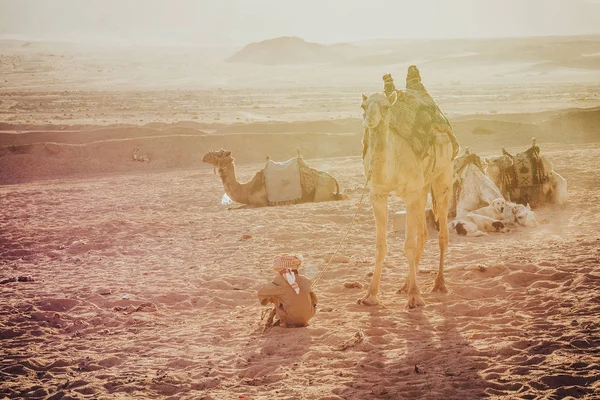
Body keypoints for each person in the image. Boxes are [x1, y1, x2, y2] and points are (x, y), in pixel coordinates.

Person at [257, 254, 318, 328]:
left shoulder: (280, 281)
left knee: (275, 295)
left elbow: (261, 293)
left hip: (291, 319)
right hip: (308, 316)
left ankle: (280, 319)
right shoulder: (305, 279)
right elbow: (314, 299)